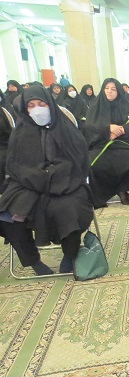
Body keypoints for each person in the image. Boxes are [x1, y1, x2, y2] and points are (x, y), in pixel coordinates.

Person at [0, 85, 93, 275]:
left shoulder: (66, 129)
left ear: (50, 104)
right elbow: (15, 166)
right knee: (8, 215)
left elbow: (78, 162)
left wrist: (52, 174)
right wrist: (37, 175)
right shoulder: (20, 132)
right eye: (31, 105)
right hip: (27, 184)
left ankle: (69, 256)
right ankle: (33, 261)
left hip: (66, 183)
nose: (37, 109)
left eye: (41, 104)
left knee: (69, 210)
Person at [84, 78, 129, 207]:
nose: (109, 91)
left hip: (125, 141)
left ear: (118, 91)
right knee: (94, 162)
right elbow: (89, 127)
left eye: (113, 89)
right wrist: (108, 128)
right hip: (102, 143)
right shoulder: (95, 106)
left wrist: (121, 130)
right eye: (106, 88)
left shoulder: (126, 105)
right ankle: (119, 191)